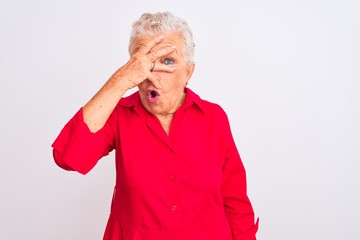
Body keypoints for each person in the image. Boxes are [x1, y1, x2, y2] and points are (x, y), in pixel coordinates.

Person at [52, 11, 259, 240]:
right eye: (144, 62)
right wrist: (121, 80)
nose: (152, 73)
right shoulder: (117, 115)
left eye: (167, 61)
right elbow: (68, 157)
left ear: (188, 72)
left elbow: (235, 199)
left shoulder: (214, 117)